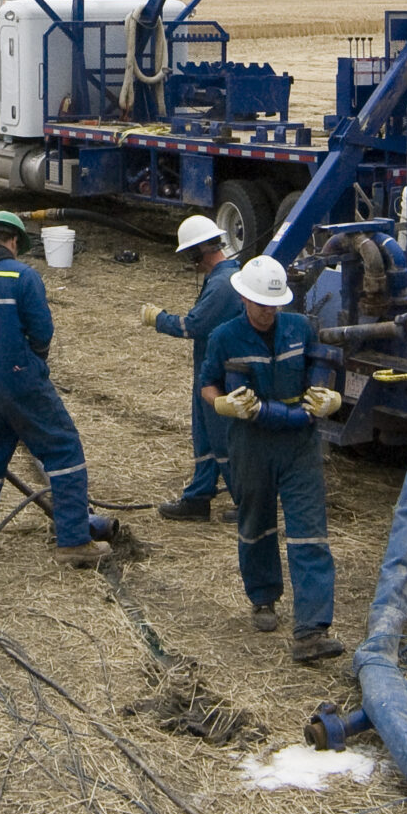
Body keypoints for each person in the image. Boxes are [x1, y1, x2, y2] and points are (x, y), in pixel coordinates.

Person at [201, 256, 347, 662]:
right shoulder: (223, 337)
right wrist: (224, 404)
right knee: (256, 524)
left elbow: (323, 371)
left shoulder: (300, 328)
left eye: (274, 304)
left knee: (309, 532)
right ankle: (263, 598)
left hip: (299, 440)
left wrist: (330, 398)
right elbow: (207, 385)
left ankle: (311, 631)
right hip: (251, 440)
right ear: (245, 298)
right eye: (261, 304)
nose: (267, 312)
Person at [0, 211, 110, 568]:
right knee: (63, 449)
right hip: (19, 379)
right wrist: (29, 365)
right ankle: (73, 541)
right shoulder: (22, 276)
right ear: (14, 242)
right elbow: (41, 331)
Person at [140, 214, 242, 522]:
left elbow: (194, 325)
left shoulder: (223, 284)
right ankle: (198, 498)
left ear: (201, 250)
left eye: (190, 253)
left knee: (223, 439)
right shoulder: (221, 278)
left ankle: (248, 502)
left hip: (220, 375)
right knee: (206, 438)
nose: (189, 260)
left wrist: (159, 318)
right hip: (209, 370)